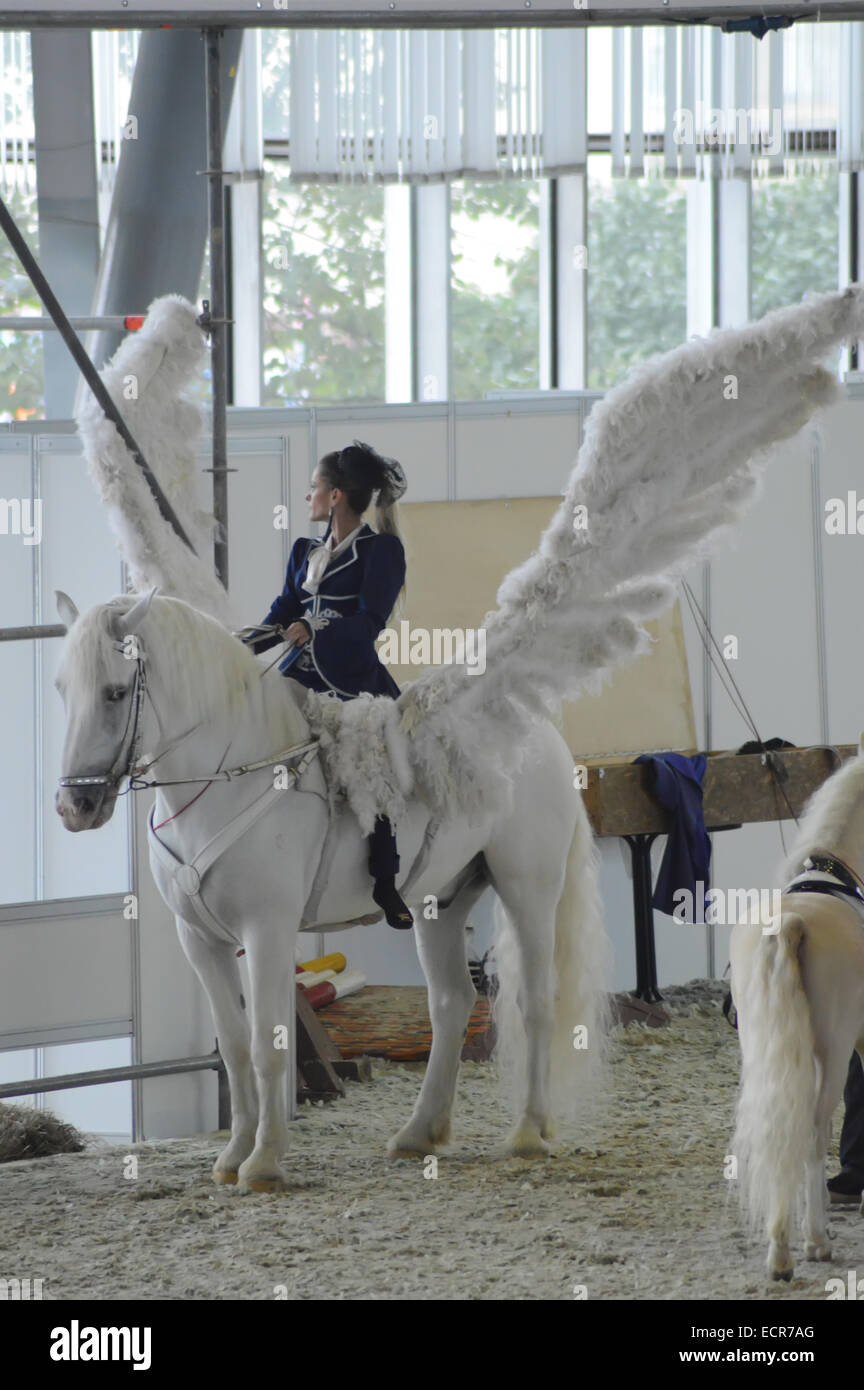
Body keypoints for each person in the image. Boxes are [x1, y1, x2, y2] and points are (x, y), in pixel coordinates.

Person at [242, 440, 413, 929]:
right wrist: (238, 648)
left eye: (314, 487)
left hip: (352, 678)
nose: (308, 496)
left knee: (370, 755)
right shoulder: (305, 552)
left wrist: (314, 629)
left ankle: (385, 879)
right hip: (299, 673)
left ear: (335, 495)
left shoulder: (381, 551)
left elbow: (370, 622)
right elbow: (282, 615)